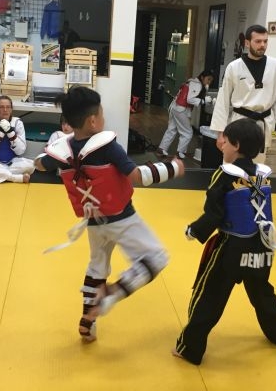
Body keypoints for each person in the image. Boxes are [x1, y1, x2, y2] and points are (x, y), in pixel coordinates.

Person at [34, 86, 185, 343]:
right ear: (93, 121)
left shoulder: (63, 150)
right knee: (157, 258)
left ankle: (87, 321)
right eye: (102, 114)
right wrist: (173, 168)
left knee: (97, 265)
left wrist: (45, 156)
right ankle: (112, 294)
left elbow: (40, 164)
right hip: (122, 218)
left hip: (93, 221)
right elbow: (137, 176)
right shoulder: (107, 147)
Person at [173, 118, 276, 365]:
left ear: (235, 145)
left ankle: (190, 348)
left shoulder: (224, 175)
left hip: (232, 247)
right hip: (263, 244)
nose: (221, 144)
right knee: (261, 291)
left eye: (224, 140)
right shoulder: (263, 174)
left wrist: (194, 230)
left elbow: (214, 214)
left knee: (210, 295)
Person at [209, 24, 276, 159]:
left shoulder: (275, 65)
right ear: (247, 43)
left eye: (265, 41)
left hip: (263, 123)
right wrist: (220, 133)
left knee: (258, 165)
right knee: (233, 165)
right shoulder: (234, 67)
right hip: (240, 122)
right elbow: (223, 101)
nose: (262, 45)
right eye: (258, 41)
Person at [157, 69, 214, 159]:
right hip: (181, 109)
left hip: (174, 107)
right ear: (202, 77)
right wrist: (203, 101)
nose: (209, 82)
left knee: (172, 129)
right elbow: (190, 99)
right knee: (188, 132)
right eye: (208, 79)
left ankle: (162, 149)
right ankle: (180, 152)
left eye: (211, 80)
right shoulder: (197, 84)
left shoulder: (191, 81)